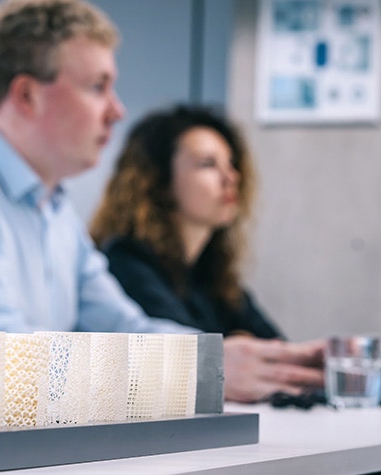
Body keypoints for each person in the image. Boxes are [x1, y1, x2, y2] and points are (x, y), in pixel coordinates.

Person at [0, 0, 323, 405]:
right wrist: (199, 371)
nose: (117, 110)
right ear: (26, 96)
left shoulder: (53, 208)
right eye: (97, 87)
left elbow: (125, 326)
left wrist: (228, 359)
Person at [90, 104, 325, 401]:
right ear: (158, 181)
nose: (231, 177)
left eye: (231, 163)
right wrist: (234, 349)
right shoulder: (126, 260)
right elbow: (198, 361)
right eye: (207, 164)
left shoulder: (211, 272)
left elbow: (275, 354)